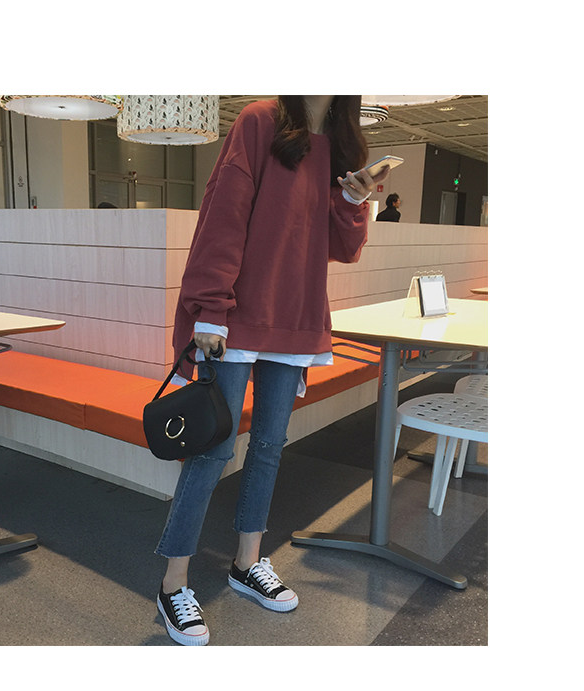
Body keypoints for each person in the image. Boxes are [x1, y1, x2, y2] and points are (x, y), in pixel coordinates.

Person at [155, 96, 391, 646]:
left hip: (296, 316)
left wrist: (352, 202)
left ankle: (247, 563)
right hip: (237, 314)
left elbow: (340, 248)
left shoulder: (341, 143)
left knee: (268, 447)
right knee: (212, 450)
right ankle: (173, 583)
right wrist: (210, 306)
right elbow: (224, 212)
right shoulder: (261, 120)